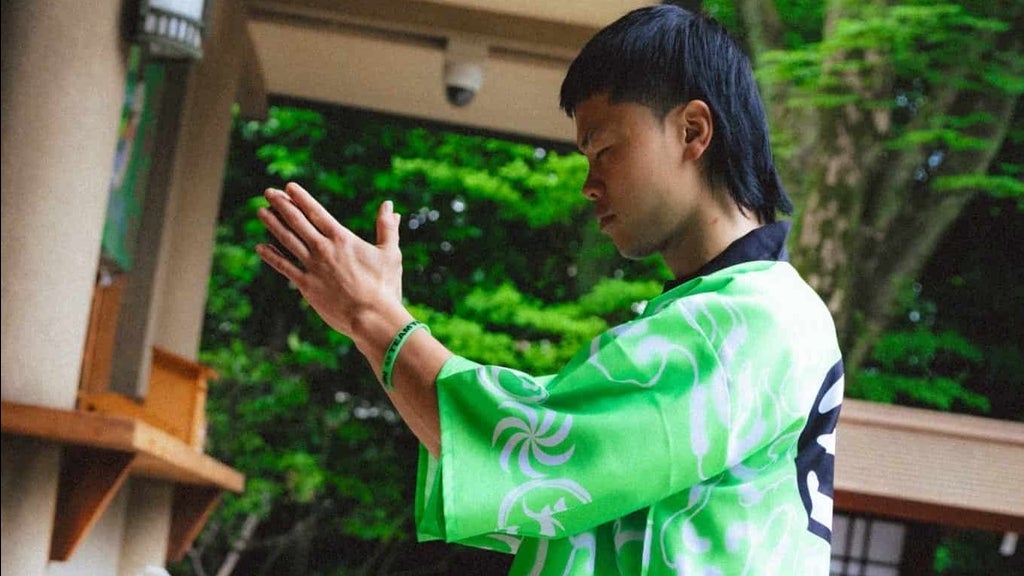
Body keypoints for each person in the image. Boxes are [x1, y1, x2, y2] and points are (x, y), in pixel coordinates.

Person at [255, 4, 843, 575]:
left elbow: (538, 453)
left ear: (692, 130)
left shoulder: (750, 320)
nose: (590, 184)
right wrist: (375, 317)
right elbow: (545, 486)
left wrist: (372, 315)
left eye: (605, 149)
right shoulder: (754, 313)